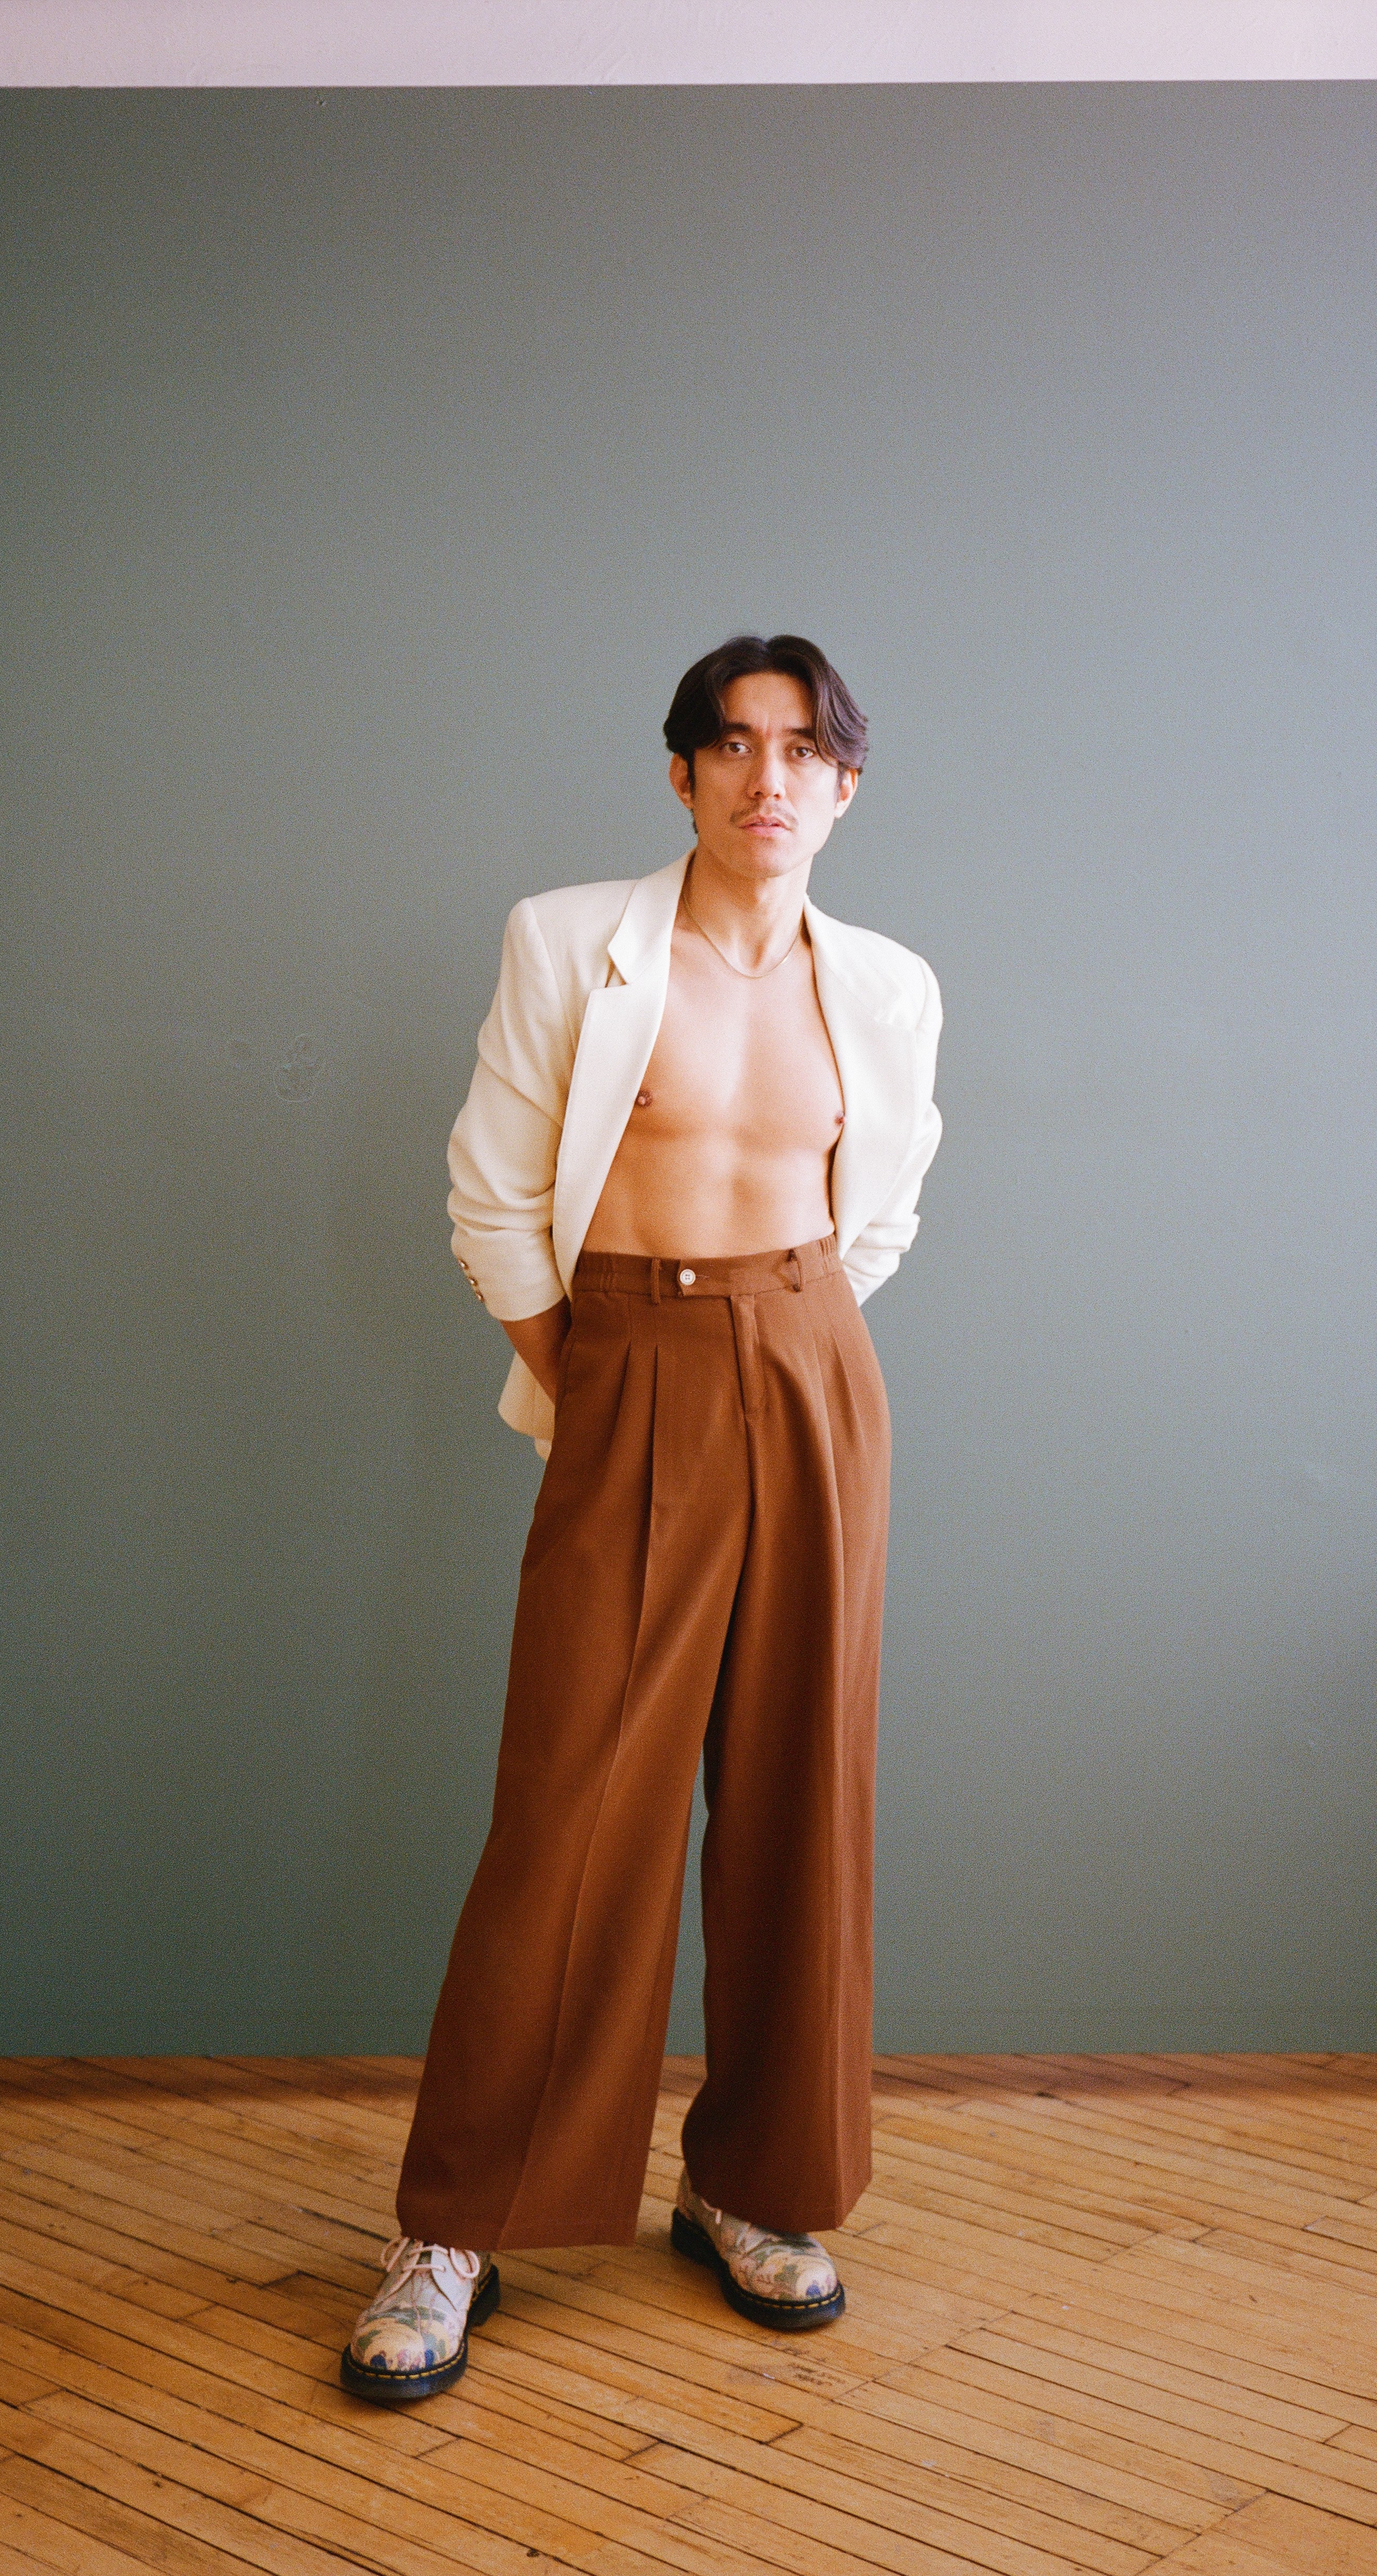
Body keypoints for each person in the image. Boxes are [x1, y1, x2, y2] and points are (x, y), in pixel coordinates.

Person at [340, 634, 942, 2403]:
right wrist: (602, 1380)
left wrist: (785, 1338)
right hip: (628, 1352)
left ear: (844, 785)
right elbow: (490, 1195)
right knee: (573, 1805)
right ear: (680, 773)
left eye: (803, 749)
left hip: (811, 1358)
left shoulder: (887, 983)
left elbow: (882, 1207)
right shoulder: (571, 942)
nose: (769, 778)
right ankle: (456, 2226)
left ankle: (753, 2186)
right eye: (733, 745)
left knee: (800, 1792)